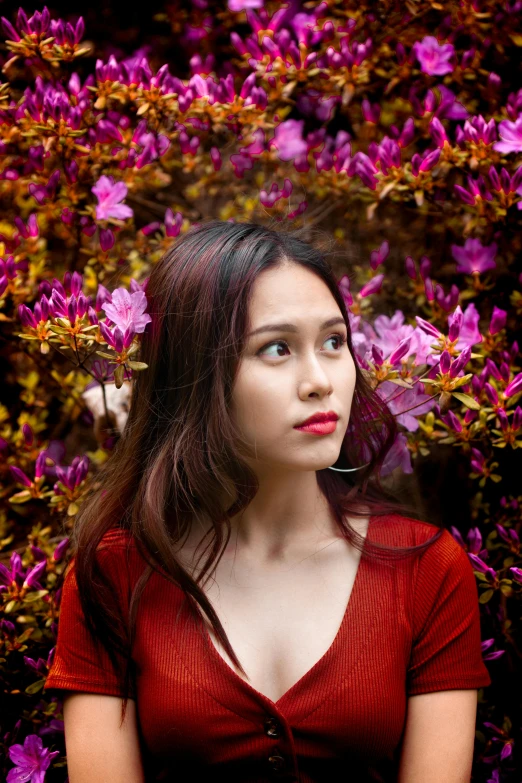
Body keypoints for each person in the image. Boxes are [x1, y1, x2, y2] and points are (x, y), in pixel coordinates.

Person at [43, 220, 491, 782]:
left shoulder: (426, 568)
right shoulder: (114, 572)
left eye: (333, 342)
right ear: (195, 373)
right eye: (277, 349)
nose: (320, 381)